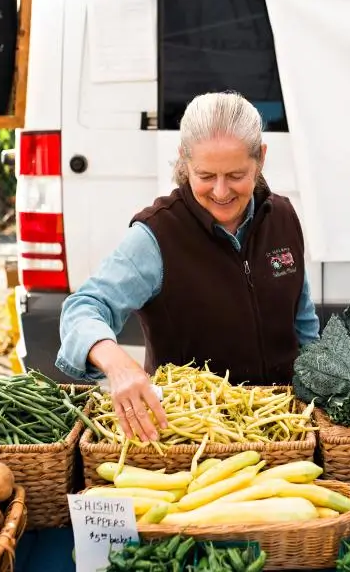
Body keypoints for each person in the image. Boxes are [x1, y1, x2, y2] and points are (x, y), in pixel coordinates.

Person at [56, 91, 321, 443]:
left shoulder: (284, 218)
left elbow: (304, 327)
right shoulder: (157, 235)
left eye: (236, 175)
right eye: (206, 175)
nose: (221, 191)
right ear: (184, 160)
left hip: (285, 432)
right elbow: (82, 307)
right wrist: (118, 365)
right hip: (191, 440)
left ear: (261, 159)